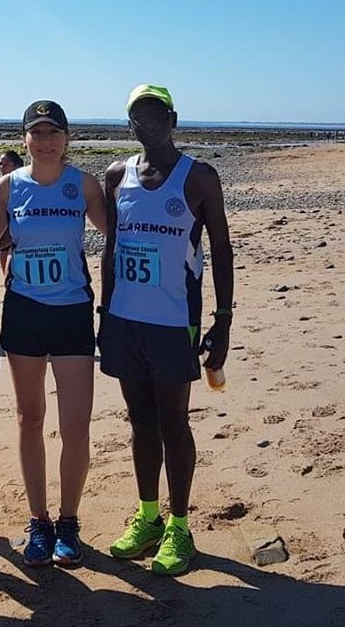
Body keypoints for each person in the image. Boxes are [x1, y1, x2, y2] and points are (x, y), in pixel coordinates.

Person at [99, 84, 233, 576]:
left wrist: (223, 320)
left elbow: (221, 248)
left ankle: (180, 526)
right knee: (140, 420)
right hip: (125, 320)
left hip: (175, 322)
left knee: (174, 422)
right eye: (139, 117)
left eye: (157, 115)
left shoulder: (199, 177)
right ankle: (149, 516)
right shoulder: (118, 175)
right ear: (129, 124)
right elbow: (111, 249)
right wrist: (104, 314)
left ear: (173, 120)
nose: (148, 124)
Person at [0, 100, 107, 567]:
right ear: (24, 140)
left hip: (72, 310)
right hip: (24, 312)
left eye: (54, 132)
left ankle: (69, 521)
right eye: (36, 133)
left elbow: (121, 234)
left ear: (67, 138)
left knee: (75, 425)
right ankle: (38, 520)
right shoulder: (8, 187)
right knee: (30, 418)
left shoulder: (84, 184)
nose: (45, 141)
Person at [0, 150, 24, 274]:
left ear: (16, 166)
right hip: (3, 225)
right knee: (3, 250)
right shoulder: (0, 184)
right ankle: (5, 277)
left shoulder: (23, 183)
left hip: (18, 225)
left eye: (6, 164)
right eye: (0, 164)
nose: (1, 167)